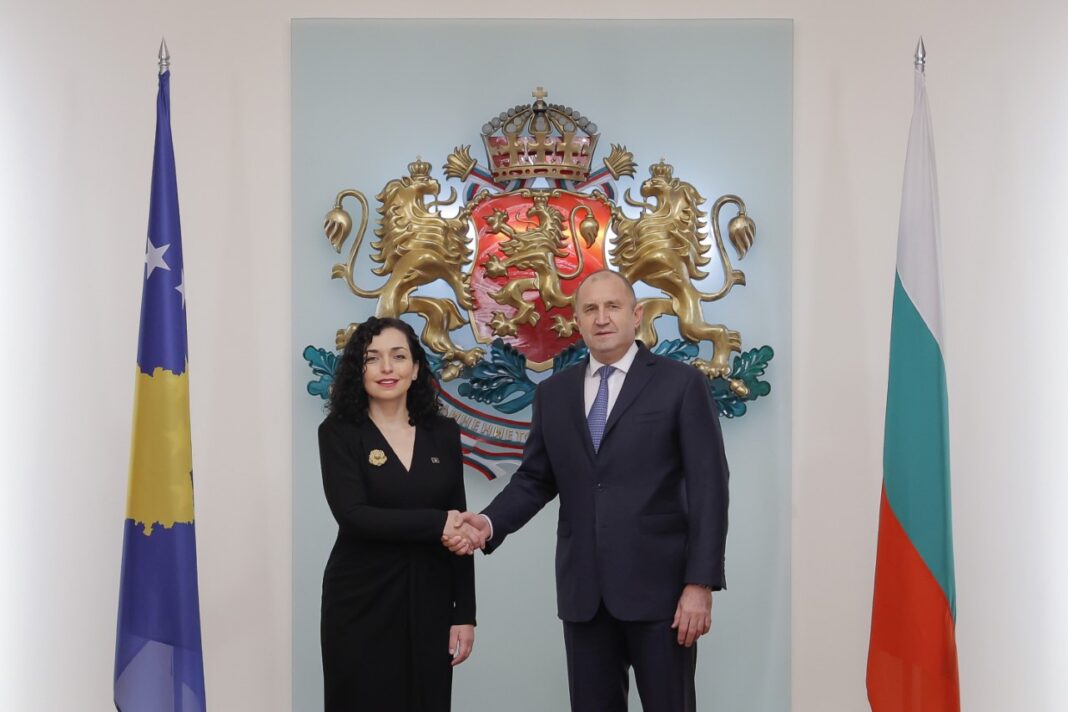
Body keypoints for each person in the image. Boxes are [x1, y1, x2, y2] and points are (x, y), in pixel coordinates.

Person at [445, 270, 729, 712]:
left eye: (613, 306)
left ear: (636, 315)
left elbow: (710, 486)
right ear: (576, 321)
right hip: (584, 594)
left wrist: (700, 582)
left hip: (664, 593)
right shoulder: (554, 394)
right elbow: (535, 479)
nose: (602, 318)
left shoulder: (680, 383)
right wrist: (488, 522)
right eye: (590, 309)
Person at [318, 316, 476, 711]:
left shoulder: (444, 433)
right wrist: (437, 523)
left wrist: (465, 613)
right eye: (372, 358)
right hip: (360, 600)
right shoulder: (338, 432)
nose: (387, 368)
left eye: (398, 356)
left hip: (431, 599)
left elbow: (459, 525)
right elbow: (354, 515)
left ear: (416, 368)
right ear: (358, 370)